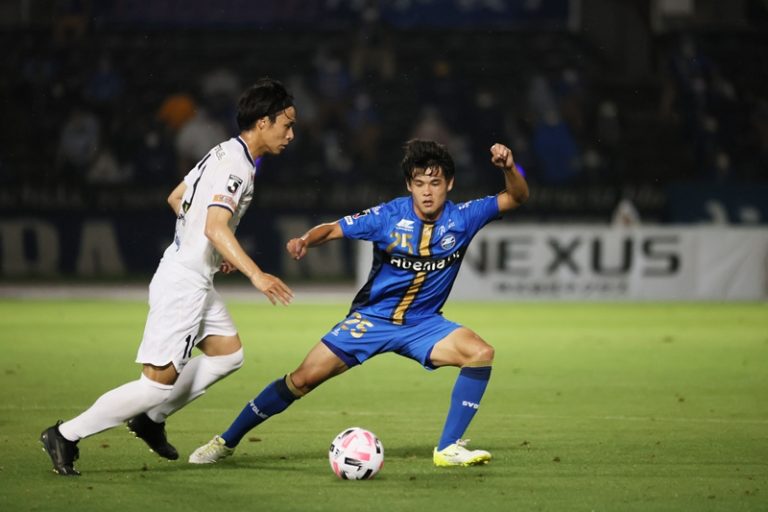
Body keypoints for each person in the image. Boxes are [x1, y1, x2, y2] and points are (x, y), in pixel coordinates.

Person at [189, 139, 529, 467]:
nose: (427, 192)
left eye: (435, 183)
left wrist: (509, 168)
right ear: (409, 185)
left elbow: (516, 197)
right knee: (302, 379)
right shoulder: (388, 216)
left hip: (424, 324)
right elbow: (333, 229)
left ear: (449, 184)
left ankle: (448, 448)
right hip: (372, 320)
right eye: (419, 183)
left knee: (479, 352)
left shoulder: (464, 217)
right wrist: (306, 239)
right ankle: (225, 441)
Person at [40, 77, 298, 476]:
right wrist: (256, 274)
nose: (291, 134)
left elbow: (177, 197)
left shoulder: (224, 151)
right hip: (183, 283)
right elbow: (215, 226)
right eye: (287, 124)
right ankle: (65, 434)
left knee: (228, 355)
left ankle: (150, 419)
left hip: (192, 274)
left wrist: (210, 247)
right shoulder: (237, 165)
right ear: (263, 122)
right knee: (155, 385)